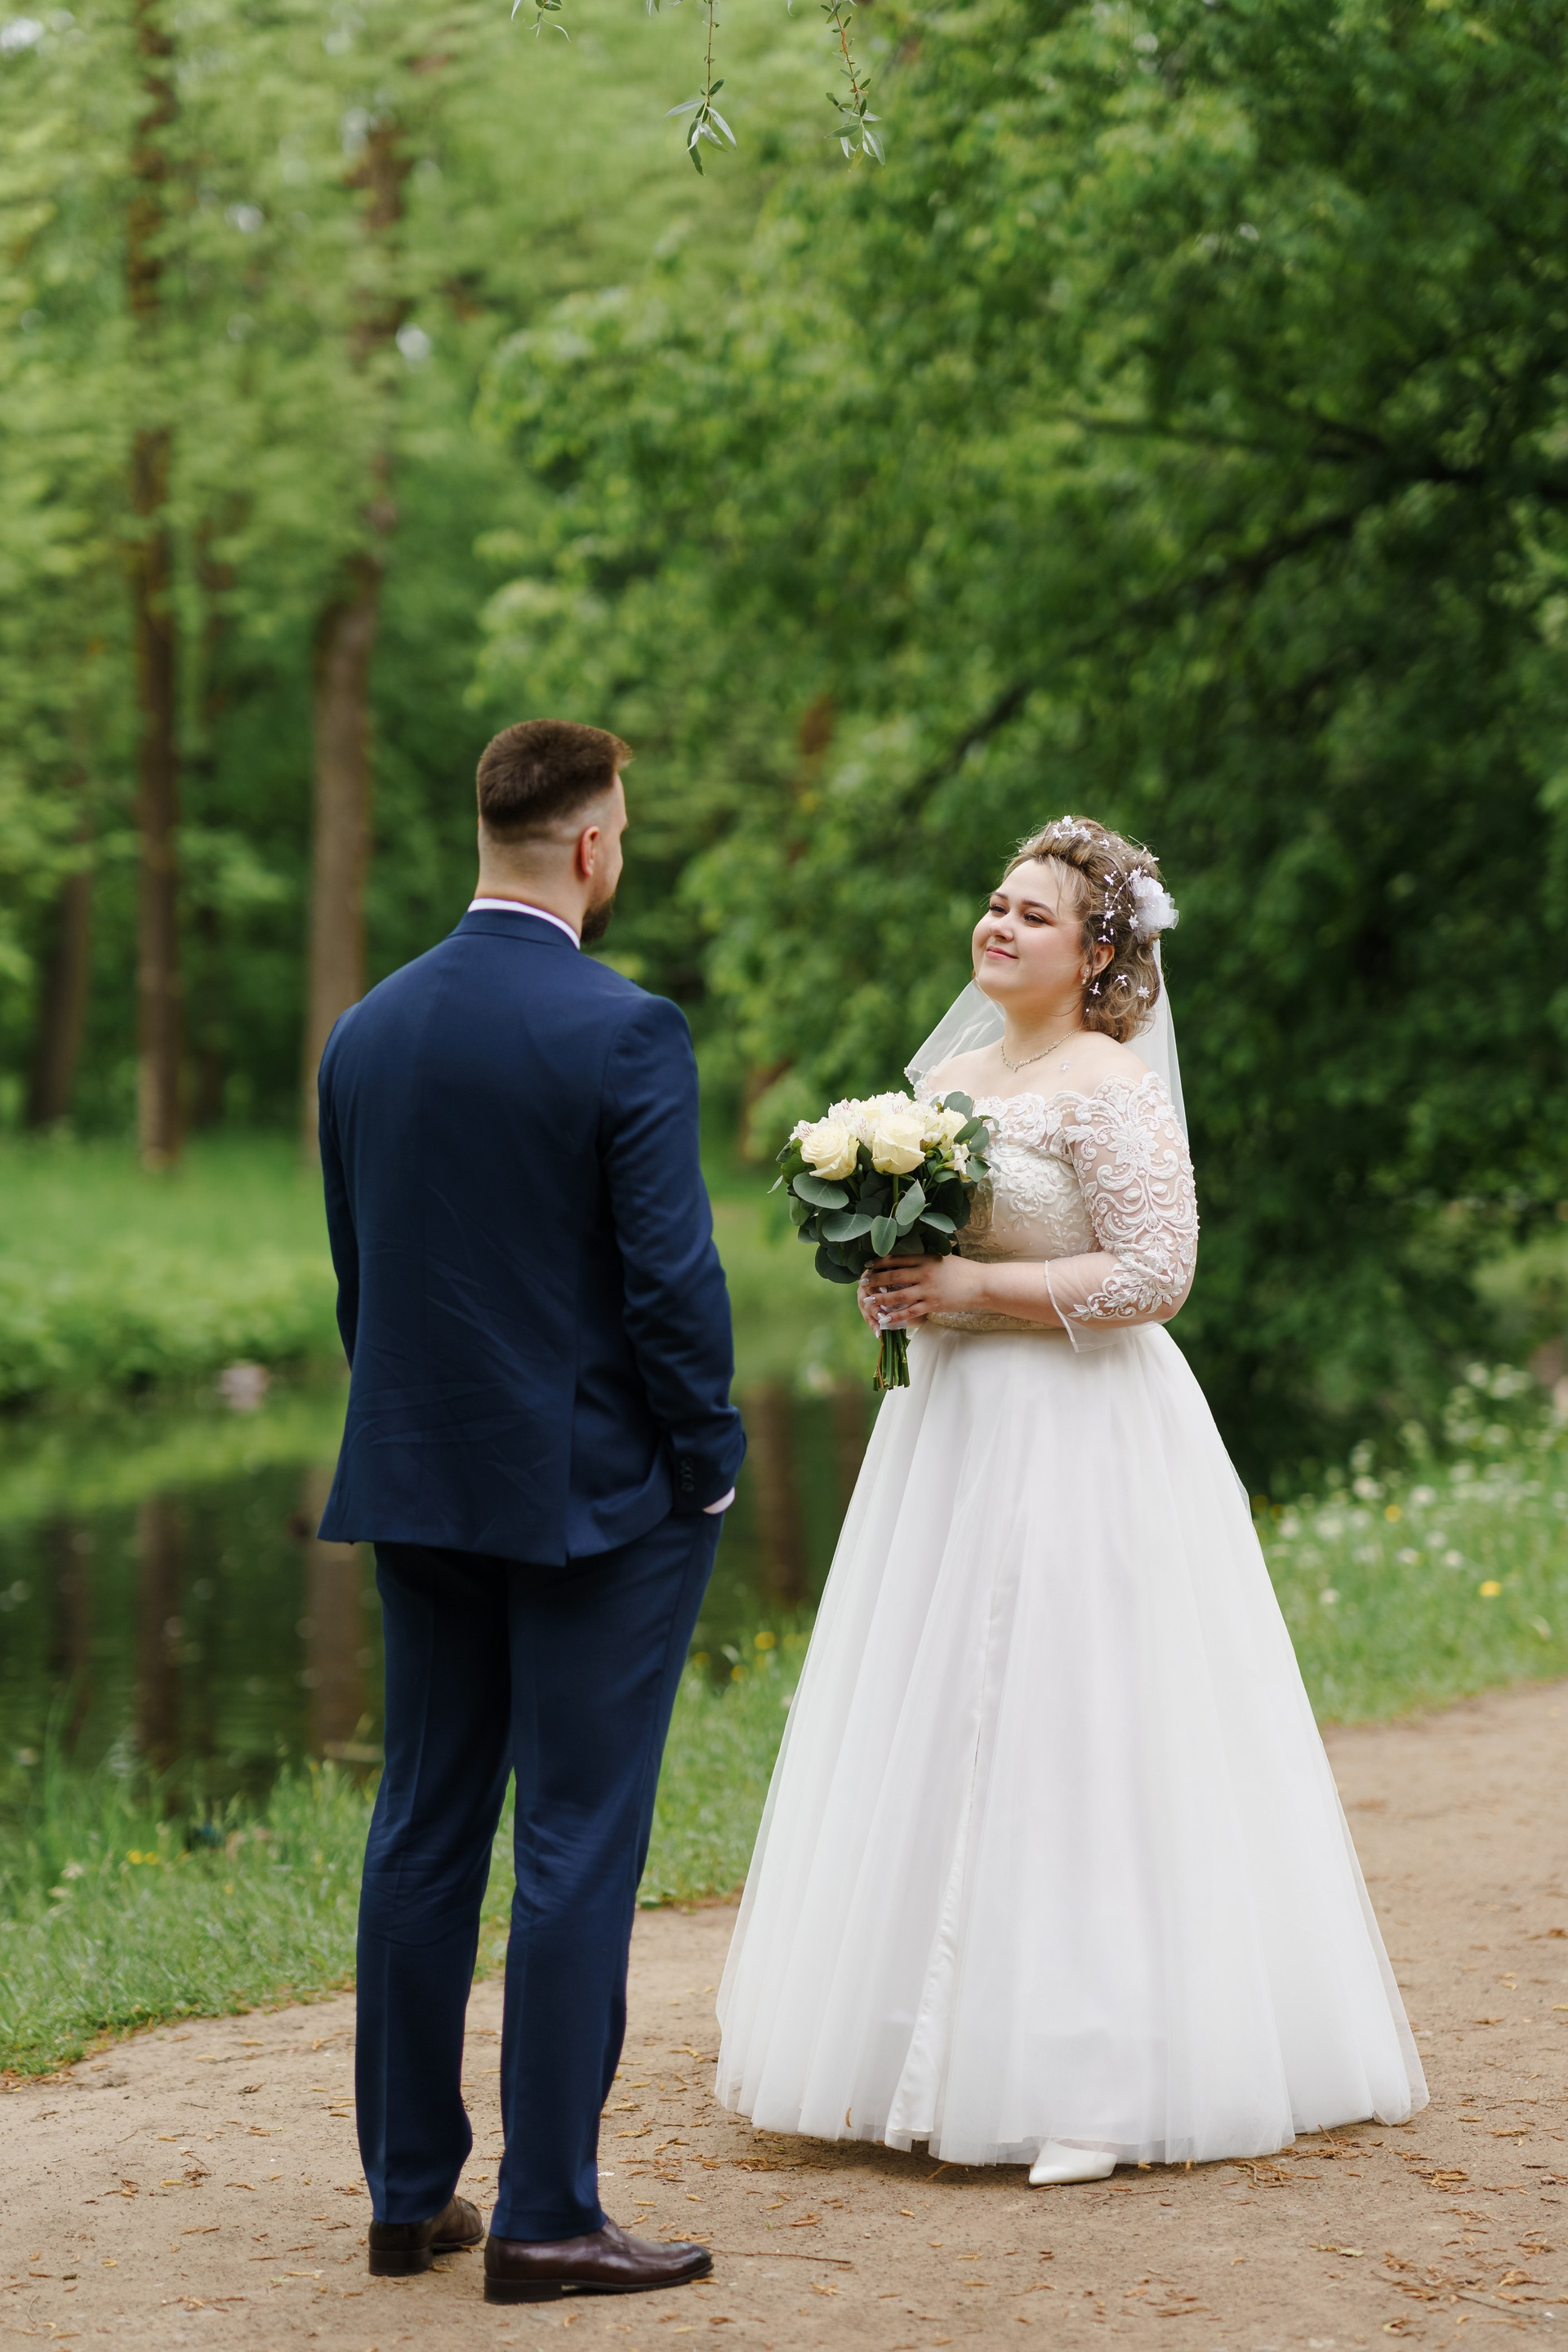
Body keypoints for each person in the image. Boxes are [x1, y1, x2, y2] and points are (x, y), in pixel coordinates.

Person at [715, 815, 1426, 2185]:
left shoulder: (1110, 1085)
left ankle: (1098, 2075)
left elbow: (1157, 1274)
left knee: (1080, 1728)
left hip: (1084, 1432)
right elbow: (930, 1252)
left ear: (1099, 953)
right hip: (950, 1438)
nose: (999, 926)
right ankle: (905, 2048)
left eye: (1033, 915)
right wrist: (894, 1282)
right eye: (996, 903)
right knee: (930, 1716)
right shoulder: (948, 1083)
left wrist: (973, 1287)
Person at [316, 719, 746, 2300]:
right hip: (597, 1499)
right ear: (590, 844)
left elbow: (365, 1281)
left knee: (423, 1825)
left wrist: (415, 1442)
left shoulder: (366, 1031)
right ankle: (549, 2213)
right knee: (576, 1835)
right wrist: (706, 1453)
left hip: (417, 1479)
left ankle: (406, 2195)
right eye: (622, 829)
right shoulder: (623, 1028)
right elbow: (670, 1284)